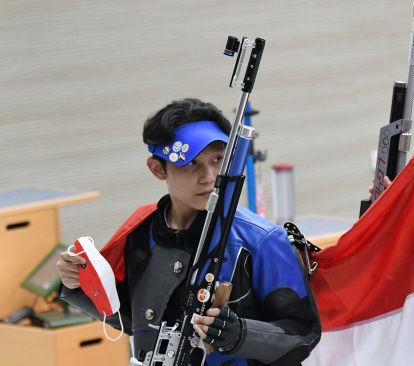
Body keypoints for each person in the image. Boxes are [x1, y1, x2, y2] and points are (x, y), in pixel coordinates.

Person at [56, 98, 321, 366]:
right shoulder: (141, 231)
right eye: (191, 163)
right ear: (157, 168)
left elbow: (303, 334)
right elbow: (136, 322)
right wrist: (78, 286)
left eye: (218, 159)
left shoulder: (261, 240)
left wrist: (239, 334)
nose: (209, 176)